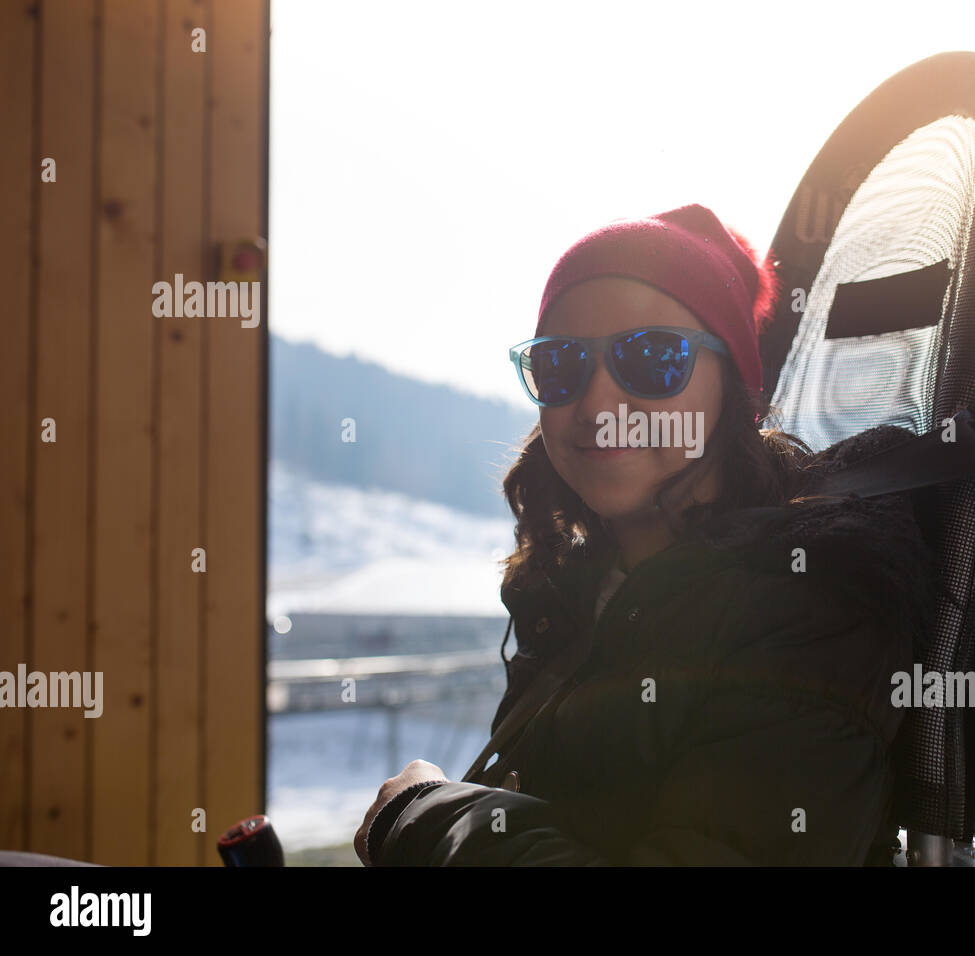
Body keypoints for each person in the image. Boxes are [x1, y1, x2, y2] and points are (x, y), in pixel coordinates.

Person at [354, 203, 938, 866]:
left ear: (735, 391)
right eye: (561, 365)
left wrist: (424, 816)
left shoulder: (812, 608)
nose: (599, 405)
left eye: (654, 357)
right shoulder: (579, 595)